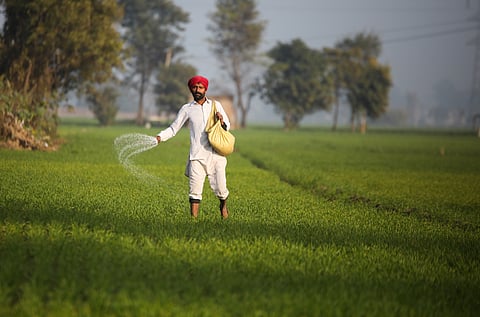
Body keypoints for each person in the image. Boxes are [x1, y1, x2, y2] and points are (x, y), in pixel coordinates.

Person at [155, 75, 231, 219]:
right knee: (194, 191)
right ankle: (193, 220)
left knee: (221, 190)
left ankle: (223, 206)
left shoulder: (215, 105)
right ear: (191, 89)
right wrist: (160, 137)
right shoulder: (187, 109)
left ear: (205, 89)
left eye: (200, 87)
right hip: (196, 156)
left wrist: (221, 121)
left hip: (216, 155)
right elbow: (173, 129)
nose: (197, 90)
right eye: (195, 87)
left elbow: (227, 126)